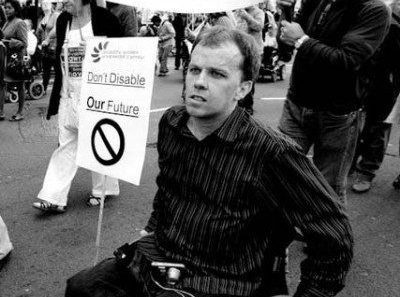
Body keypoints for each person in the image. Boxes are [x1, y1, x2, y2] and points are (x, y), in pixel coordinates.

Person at [66, 26, 353, 297]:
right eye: (194, 70)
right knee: (81, 287)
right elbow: (168, 186)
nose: (199, 82)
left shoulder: (272, 152)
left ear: (242, 89)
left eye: (216, 74)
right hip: (156, 261)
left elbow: (335, 238)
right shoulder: (173, 123)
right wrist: (154, 226)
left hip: (220, 280)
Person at [277, 0, 391, 203]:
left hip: (337, 117)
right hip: (296, 107)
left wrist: (302, 39)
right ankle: (273, 240)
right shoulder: (316, 0)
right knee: (278, 176)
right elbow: (286, 48)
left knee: (325, 191)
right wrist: (287, 11)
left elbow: (345, 61)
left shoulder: (373, 11)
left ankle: (325, 243)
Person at [32, 0, 123, 214]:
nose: (64, 0)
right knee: (66, 142)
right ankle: (52, 196)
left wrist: (95, 49)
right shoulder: (62, 20)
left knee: (97, 142)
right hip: (68, 92)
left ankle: (104, 189)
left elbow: (124, 52)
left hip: (97, 92)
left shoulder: (105, 19)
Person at [351, 0, 400, 192]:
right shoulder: (382, 18)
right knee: (357, 123)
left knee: (377, 127)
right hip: (367, 78)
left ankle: (366, 171)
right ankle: (353, 163)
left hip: (388, 84)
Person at [0, 0, 28, 122]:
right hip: (5, 57)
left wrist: (11, 42)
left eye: (9, 8)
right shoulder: (7, 22)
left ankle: (20, 111)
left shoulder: (19, 23)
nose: (6, 10)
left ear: (16, 9)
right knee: (2, 83)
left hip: (16, 59)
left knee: (20, 84)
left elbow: (24, 43)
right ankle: (1, 111)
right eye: (5, 7)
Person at [235, 5, 264, 114]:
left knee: (249, 78)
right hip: (240, 50)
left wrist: (246, 16)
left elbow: (259, 26)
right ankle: (238, 105)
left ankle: (247, 107)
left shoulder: (259, 12)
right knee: (239, 77)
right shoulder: (239, 12)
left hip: (254, 51)